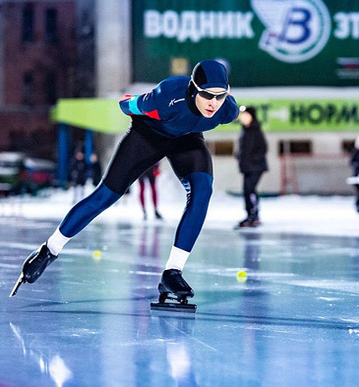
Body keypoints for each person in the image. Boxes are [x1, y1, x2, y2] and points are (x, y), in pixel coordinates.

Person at [10, 60, 239, 310]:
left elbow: (220, 109)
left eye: (220, 96)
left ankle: (172, 273)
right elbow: (128, 104)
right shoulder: (169, 96)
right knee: (105, 196)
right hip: (148, 137)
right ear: (194, 89)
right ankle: (49, 250)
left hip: (187, 141)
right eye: (207, 95)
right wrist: (127, 102)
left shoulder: (227, 110)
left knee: (202, 191)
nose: (213, 103)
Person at [235, 106, 268, 228]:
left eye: (246, 115)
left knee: (250, 190)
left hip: (255, 167)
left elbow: (263, 148)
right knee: (247, 191)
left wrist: (252, 160)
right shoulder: (245, 130)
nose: (243, 118)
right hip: (247, 167)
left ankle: (254, 215)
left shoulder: (255, 130)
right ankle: (250, 214)